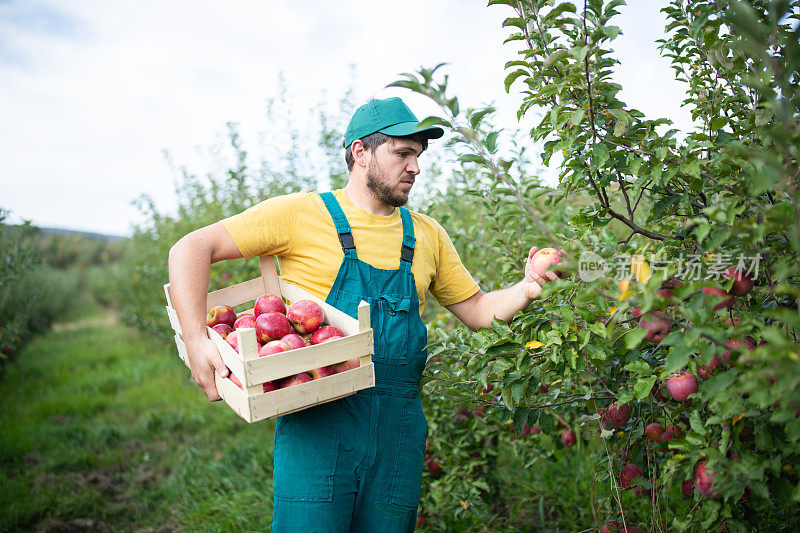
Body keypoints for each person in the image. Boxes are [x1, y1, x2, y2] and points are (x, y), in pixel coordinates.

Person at [167, 96, 561, 532]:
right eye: (402, 152)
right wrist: (198, 340)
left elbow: (478, 309)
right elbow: (190, 249)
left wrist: (527, 288)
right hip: (318, 423)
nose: (415, 167)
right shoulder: (300, 215)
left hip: (398, 433)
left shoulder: (427, 234)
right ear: (360, 152)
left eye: (418, 156)